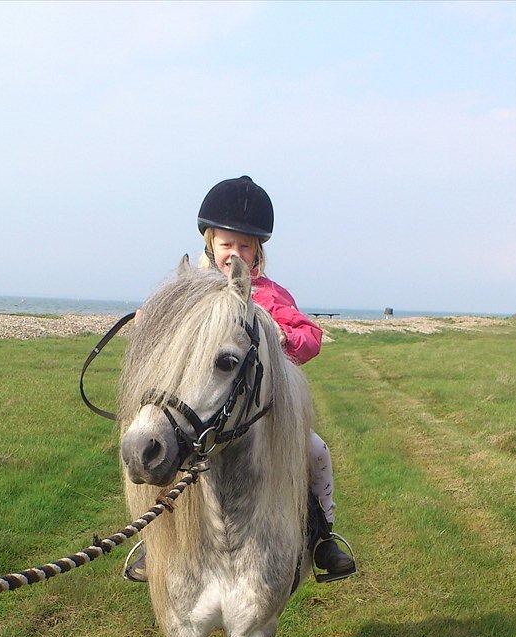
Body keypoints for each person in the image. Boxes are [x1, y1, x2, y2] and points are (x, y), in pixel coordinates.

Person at [124, 175, 356, 584]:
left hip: (261, 411)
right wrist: (148, 323)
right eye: (227, 244)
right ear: (210, 243)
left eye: (245, 246)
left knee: (315, 451)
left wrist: (285, 339)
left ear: (257, 250)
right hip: (206, 402)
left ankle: (322, 535)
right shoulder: (190, 293)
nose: (235, 253)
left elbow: (310, 336)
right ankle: (155, 537)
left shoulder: (269, 295)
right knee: (168, 444)